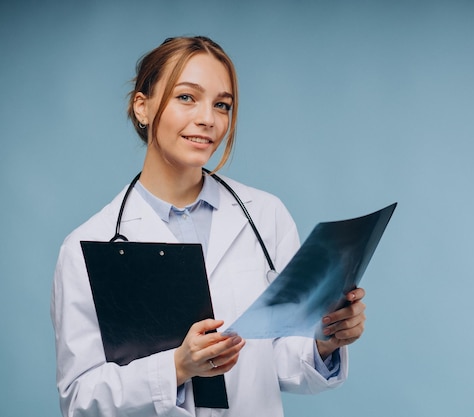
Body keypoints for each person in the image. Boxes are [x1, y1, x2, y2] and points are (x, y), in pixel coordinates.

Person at [51, 36, 366, 417]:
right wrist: (176, 368)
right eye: (187, 97)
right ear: (142, 107)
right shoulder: (88, 245)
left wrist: (325, 339)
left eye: (222, 105)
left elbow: (277, 362)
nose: (208, 119)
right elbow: (80, 399)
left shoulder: (266, 215)